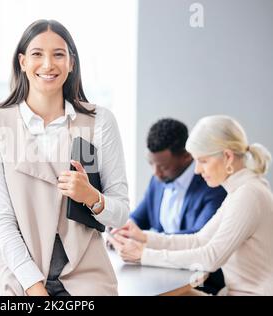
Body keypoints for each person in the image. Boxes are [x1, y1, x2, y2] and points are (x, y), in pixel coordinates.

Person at [0, 19, 130, 296]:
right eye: (37, 54)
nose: (48, 65)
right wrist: (34, 287)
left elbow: (120, 214)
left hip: (88, 277)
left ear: (71, 63)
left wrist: (92, 197)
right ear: (22, 62)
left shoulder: (99, 122)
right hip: (19, 276)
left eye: (58, 54)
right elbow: (1, 220)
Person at [108, 115, 273, 295]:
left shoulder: (248, 194)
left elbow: (211, 257)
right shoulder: (241, 190)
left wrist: (144, 255)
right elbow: (199, 240)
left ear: (227, 156)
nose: (197, 170)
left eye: (203, 161)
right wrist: (144, 237)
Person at [128, 118, 227, 294]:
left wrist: (146, 243)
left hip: (201, 280)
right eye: (151, 163)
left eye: (163, 167)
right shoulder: (158, 180)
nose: (155, 173)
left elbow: (199, 238)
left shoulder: (213, 187)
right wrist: (122, 231)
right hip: (160, 272)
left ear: (187, 156)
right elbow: (137, 219)